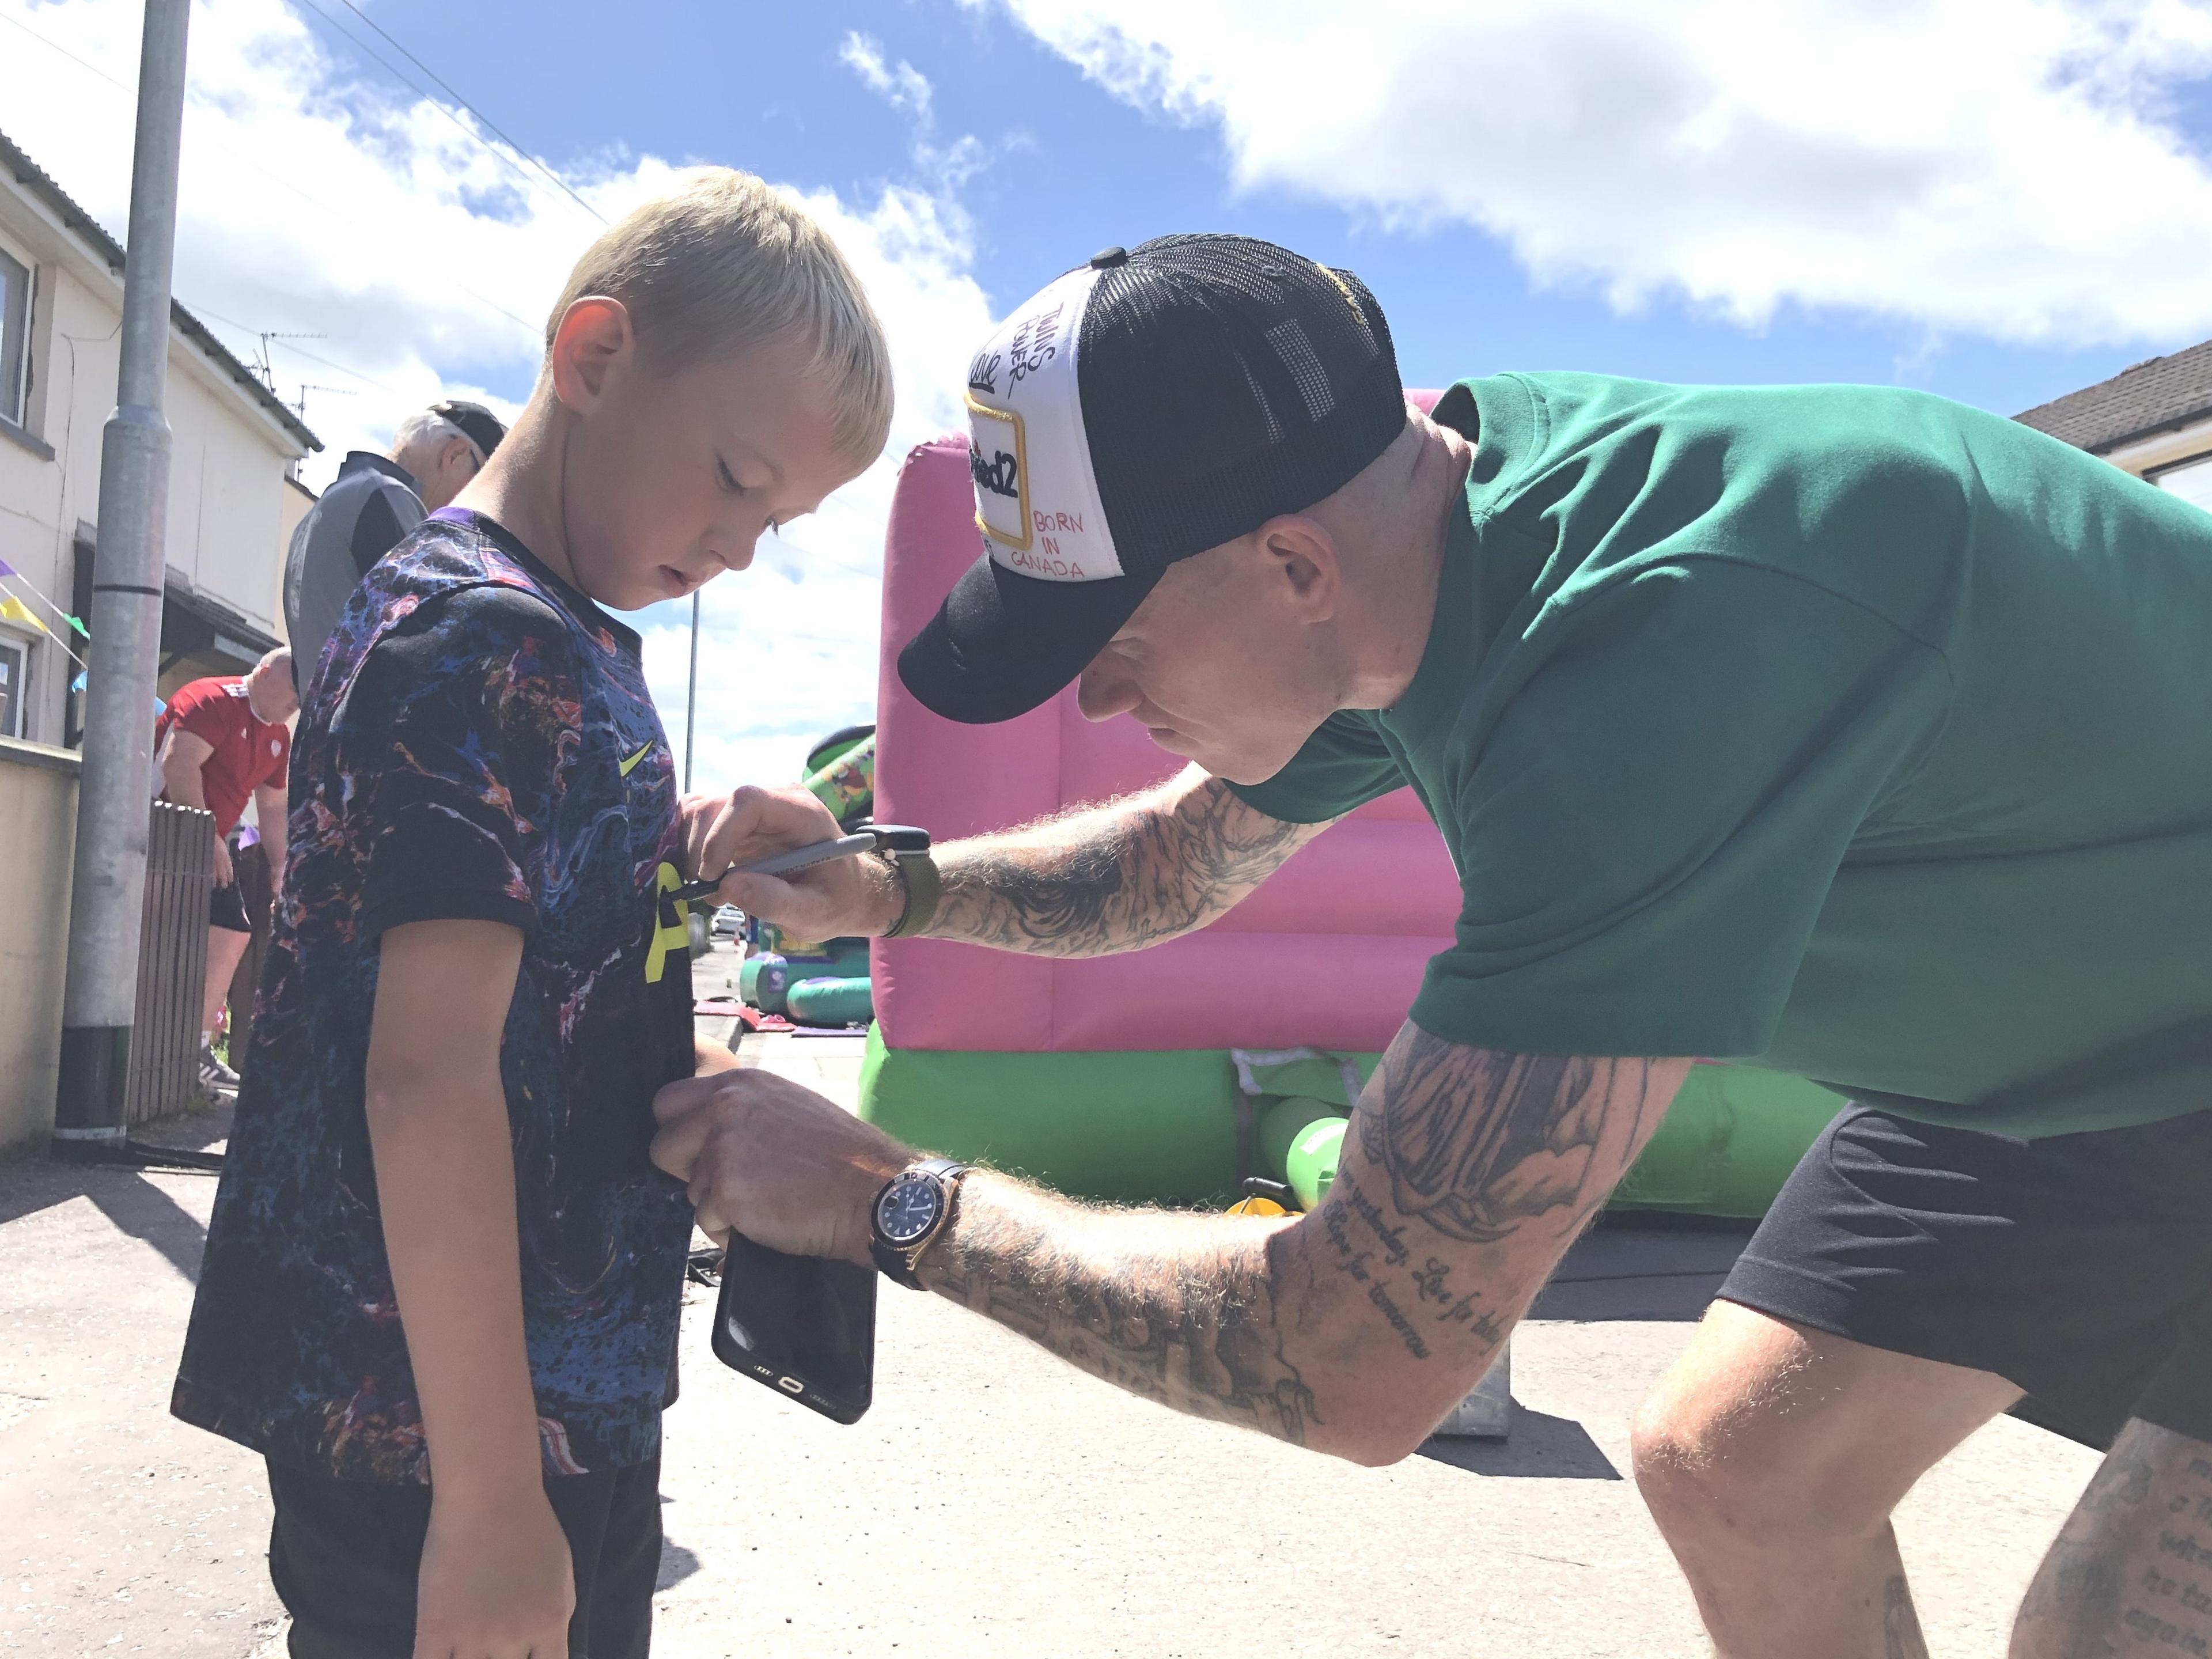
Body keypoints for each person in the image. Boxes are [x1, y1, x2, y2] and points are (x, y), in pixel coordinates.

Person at [654, 234, 2212, 1658]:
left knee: (2103, 1636)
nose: (1103, 708)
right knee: (1740, 1473)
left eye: (1112, 647)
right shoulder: (1428, 534)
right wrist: (884, 891)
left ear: (1294, 568)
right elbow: (1170, 860)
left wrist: (888, 1201)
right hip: (2070, 1054)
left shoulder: (1649, 662)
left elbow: (1355, 1355)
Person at [168, 168, 892, 1659]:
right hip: (441, 1434)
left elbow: (524, 926)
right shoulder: (481, 636)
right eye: (739, 481)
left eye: (786, 520)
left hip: (545, 1387)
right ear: (594, 356)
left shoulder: (557, 634)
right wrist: (494, 1510)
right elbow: (425, 1075)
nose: (747, 547)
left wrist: (673, 861)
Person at [282, 398, 509, 692]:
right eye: (482, 483)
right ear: (455, 455)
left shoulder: (336, 503)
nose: (478, 508)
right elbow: (436, 632)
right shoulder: (385, 495)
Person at [153, 647, 296, 1094]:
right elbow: (177, 764)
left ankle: (192, 1050)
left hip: (207, 841)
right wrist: (208, 836)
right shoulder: (214, 700)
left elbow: (272, 808)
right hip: (160, 828)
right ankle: (182, 1053)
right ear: (266, 671)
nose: (297, 704)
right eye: (295, 689)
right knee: (206, 932)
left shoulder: (278, 740)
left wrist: (280, 866)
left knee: (233, 931)